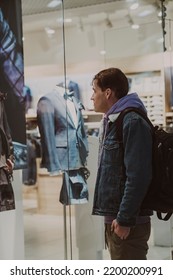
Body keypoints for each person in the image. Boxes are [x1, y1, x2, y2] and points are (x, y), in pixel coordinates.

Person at [91, 68, 153, 260]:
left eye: (94, 91)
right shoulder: (114, 120)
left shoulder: (130, 120)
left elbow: (138, 175)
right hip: (117, 219)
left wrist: (125, 218)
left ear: (107, 92)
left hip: (127, 222)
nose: (92, 97)